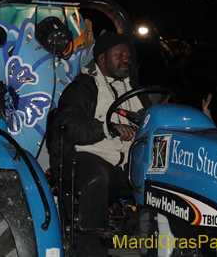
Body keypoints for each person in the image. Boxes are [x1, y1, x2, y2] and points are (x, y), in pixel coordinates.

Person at [49, 32, 146, 257]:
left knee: (161, 175)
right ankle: (89, 247)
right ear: (102, 58)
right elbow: (68, 123)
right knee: (97, 173)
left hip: (126, 166)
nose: (126, 59)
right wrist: (107, 128)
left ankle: (154, 237)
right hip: (86, 159)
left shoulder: (135, 91)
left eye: (128, 55)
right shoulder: (82, 88)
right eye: (119, 53)